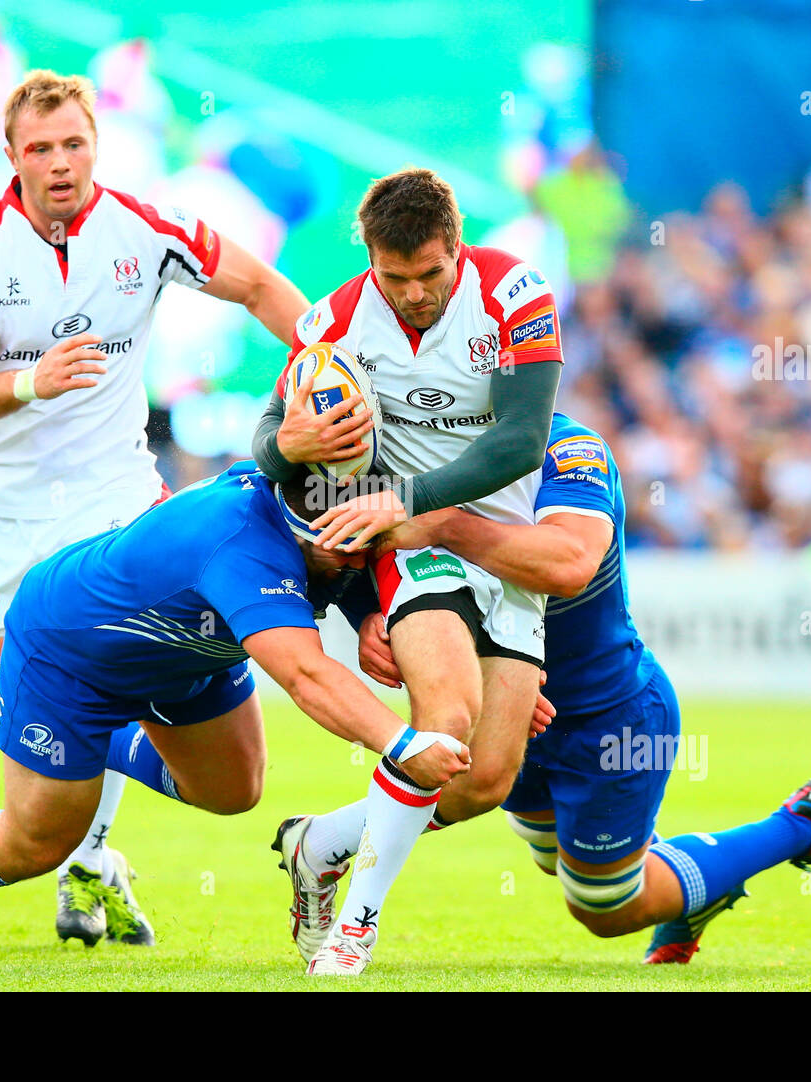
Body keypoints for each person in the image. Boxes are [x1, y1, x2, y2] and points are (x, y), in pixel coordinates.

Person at [0, 70, 310, 946]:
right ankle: (90, 864)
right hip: (7, 520)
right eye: (40, 149)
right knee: (38, 737)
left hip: (118, 506)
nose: (60, 164)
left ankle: (85, 870)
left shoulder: (144, 227)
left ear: (95, 145)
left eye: (74, 145)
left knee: (107, 698)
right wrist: (32, 378)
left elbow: (256, 285)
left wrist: (327, 355)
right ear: (13, 157)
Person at [0, 465, 470, 957]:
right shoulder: (243, 553)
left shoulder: (303, 508)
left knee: (234, 791)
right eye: (345, 554)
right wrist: (404, 742)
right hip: (72, 653)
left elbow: (348, 561)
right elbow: (307, 675)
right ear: (304, 533)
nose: (358, 563)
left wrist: (363, 613)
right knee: (37, 842)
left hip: (185, 651)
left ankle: (94, 750)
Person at [327, 413, 811, 961]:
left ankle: (801, 824)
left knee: (604, 906)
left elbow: (569, 564)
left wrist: (444, 526)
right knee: (554, 856)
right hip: (514, 708)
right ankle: (699, 884)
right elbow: (356, 538)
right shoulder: (412, 437)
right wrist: (366, 613)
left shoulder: (567, 446)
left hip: (606, 716)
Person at [252, 168, 562, 974]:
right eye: (396, 278)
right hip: (415, 548)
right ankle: (356, 928)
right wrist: (296, 449)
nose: (416, 293)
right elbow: (266, 444)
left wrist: (408, 496)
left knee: (484, 780)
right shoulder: (337, 322)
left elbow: (523, 442)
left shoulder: (518, 295)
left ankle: (322, 841)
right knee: (444, 722)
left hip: (503, 553)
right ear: (372, 261)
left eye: (431, 274)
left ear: (457, 248)